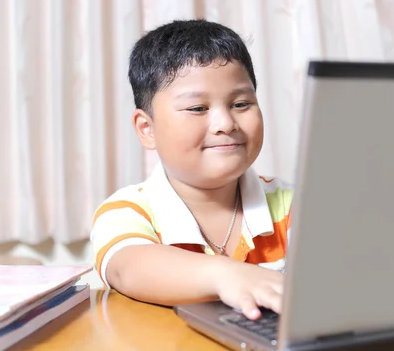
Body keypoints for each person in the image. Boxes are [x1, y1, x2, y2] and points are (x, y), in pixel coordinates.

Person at [90, 19, 293, 320]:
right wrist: (227, 274)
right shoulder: (128, 211)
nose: (225, 124)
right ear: (147, 129)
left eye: (241, 104)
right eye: (198, 108)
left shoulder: (292, 203)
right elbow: (127, 267)